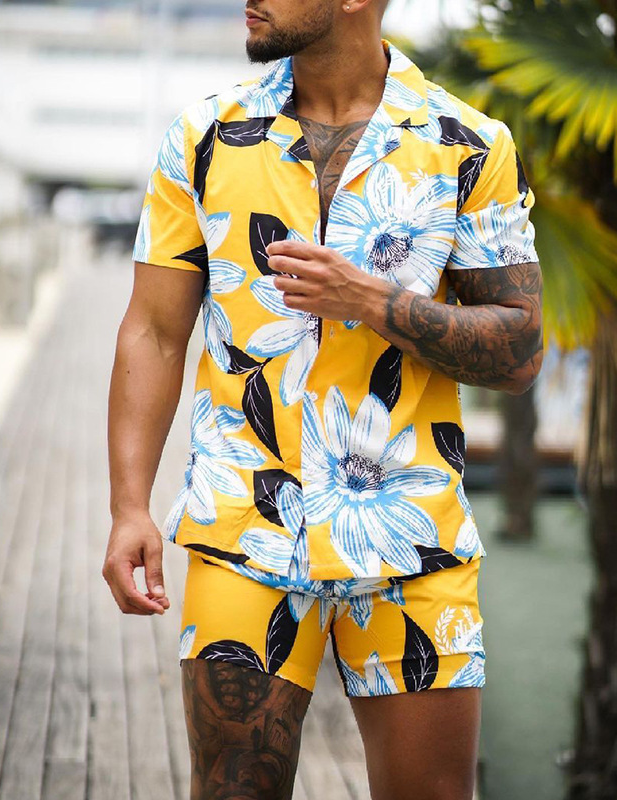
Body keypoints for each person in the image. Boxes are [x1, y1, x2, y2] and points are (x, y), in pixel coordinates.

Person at [103, 0, 543, 797]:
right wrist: (129, 506)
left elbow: (519, 351)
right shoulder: (204, 136)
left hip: (415, 539)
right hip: (244, 529)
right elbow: (154, 332)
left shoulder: (468, 144)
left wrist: (372, 301)